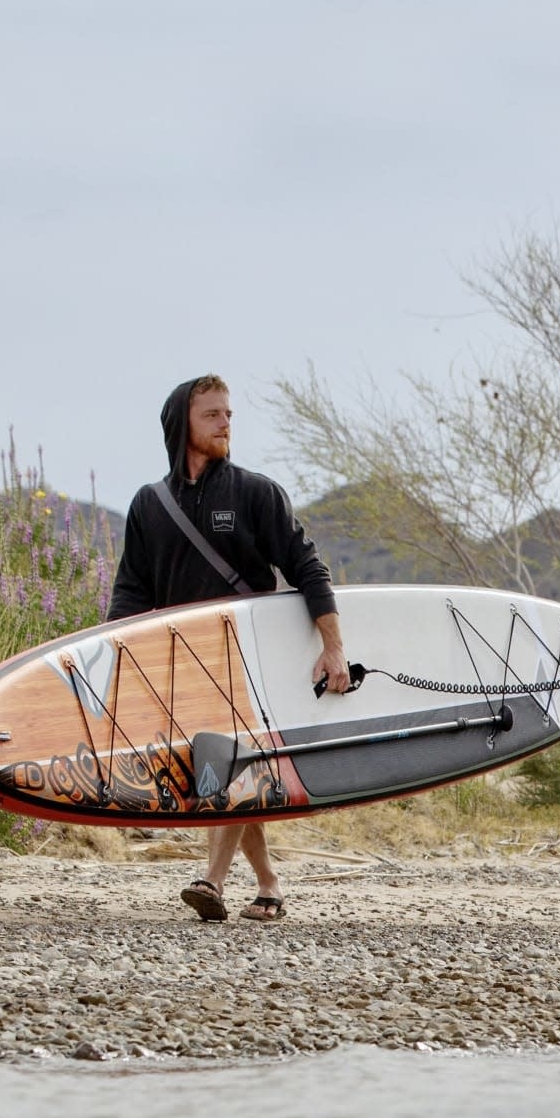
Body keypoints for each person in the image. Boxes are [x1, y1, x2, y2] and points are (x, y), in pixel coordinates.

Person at [109, 374, 351, 922]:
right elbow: (131, 590)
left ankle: (210, 881)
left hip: (248, 656)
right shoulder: (149, 505)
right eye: (212, 415)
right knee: (228, 773)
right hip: (184, 661)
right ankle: (268, 885)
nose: (225, 424)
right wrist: (115, 662)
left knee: (227, 765)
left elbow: (309, 569)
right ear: (182, 426)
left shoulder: (254, 493)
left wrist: (333, 648)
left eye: (229, 415)